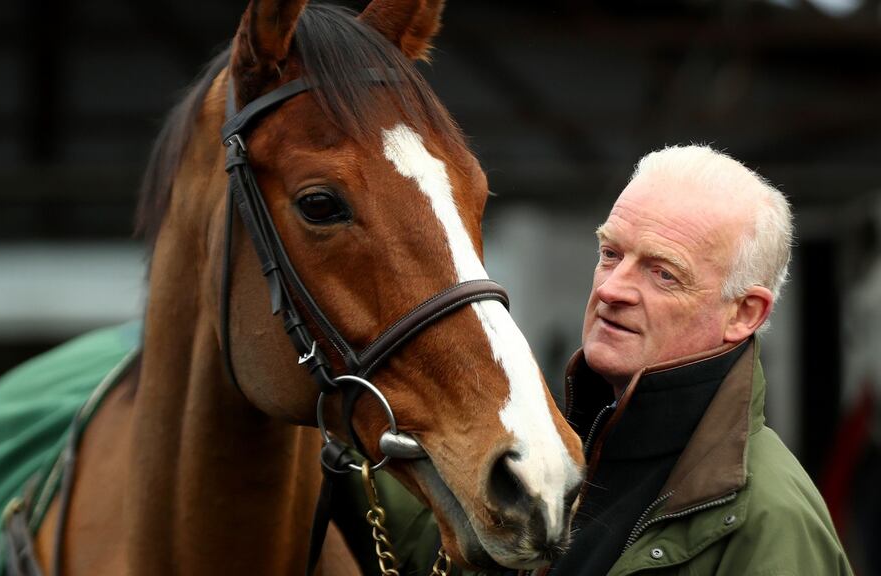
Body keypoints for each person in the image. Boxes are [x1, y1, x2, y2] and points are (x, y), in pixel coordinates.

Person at [347, 144, 852, 576]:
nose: (611, 290)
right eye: (611, 254)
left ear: (744, 313)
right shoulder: (581, 436)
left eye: (662, 274)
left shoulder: (774, 520)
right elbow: (431, 549)